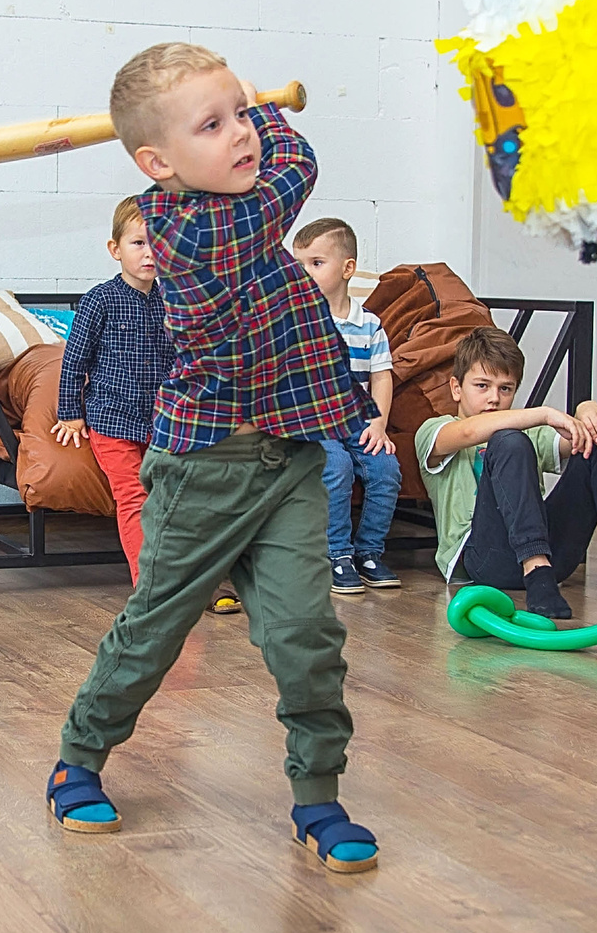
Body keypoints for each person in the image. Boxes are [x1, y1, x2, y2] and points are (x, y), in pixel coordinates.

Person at [44, 43, 382, 875]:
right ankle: (79, 757)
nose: (242, 135)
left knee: (306, 631)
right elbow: (299, 158)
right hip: (206, 469)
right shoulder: (199, 228)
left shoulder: (233, 197)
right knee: (156, 625)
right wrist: (265, 110)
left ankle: (318, 794)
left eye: (240, 114)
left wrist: (230, 108)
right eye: (214, 123)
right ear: (158, 164)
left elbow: (269, 159)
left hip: (291, 457)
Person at [413, 328, 597, 622]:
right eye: (482, 386)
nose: (494, 398)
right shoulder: (434, 430)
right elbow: (470, 431)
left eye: (505, 389)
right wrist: (545, 413)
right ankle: (534, 568)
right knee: (507, 440)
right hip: (485, 560)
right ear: (456, 388)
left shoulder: (530, 432)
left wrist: (586, 409)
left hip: (555, 560)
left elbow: (578, 440)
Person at [54, 197, 171, 580]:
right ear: (115, 249)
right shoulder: (99, 300)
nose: (150, 253)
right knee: (134, 497)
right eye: (139, 243)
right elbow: (75, 361)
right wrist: (70, 413)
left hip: (162, 422)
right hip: (113, 420)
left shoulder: (175, 300)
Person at [289, 217, 403, 595]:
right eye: (299, 264)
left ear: (348, 268)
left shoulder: (368, 324)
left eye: (316, 263)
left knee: (385, 467)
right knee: (334, 466)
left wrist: (379, 425)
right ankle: (336, 554)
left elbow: (381, 376)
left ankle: (368, 552)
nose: (304, 273)